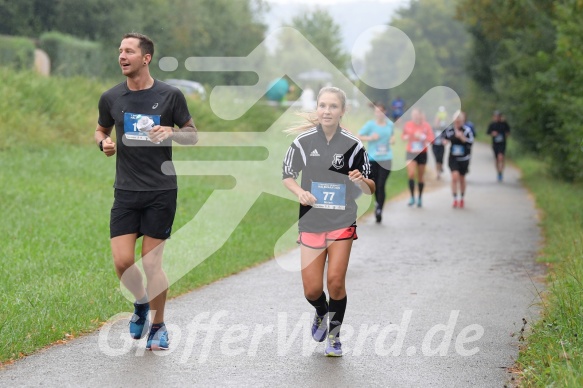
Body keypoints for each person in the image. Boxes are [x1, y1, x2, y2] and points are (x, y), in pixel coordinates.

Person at [94, 33, 198, 351]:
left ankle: (159, 325)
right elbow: (101, 129)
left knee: (152, 264)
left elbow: (192, 135)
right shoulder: (111, 98)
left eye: (129, 51)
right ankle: (141, 302)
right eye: (119, 51)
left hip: (160, 191)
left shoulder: (170, 96)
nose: (122, 56)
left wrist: (172, 132)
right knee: (122, 261)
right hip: (125, 190)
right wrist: (103, 143)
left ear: (146, 57)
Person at [282, 86, 375, 357]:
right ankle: (321, 312)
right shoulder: (302, 143)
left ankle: (334, 336)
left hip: (342, 219)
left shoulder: (354, 145)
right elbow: (288, 175)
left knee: (335, 281)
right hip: (311, 220)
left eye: (333, 106)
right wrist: (299, 192)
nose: (327, 110)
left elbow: (371, 188)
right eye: (322, 105)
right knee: (312, 290)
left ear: (342, 111)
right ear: (317, 109)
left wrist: (361, 181)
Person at [358, 102, 395, 223]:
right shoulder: (370, 125)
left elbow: (392, 136)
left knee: (381, 184)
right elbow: (358, 136)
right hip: (373, 159)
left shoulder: (389, 124)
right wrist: (370, 138)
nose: (379, 114)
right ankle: (377, 203)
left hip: (386, 158)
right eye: (377, 112)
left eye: (381, 111)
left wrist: (392, 139)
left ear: (385, 113)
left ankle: (379, 210)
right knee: (374, 185)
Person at [401, 108, 435, 207]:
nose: (415, 116)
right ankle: (412, 197)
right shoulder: (408, 124)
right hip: (410, 152)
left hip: (422, 153)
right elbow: (403, 136)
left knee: (420, 176)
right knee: (411, 174)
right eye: (413, 115)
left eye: (416, 115)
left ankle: (420, 197)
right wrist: (406, 137)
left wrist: (422, 137)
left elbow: (432, 140)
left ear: (420, 115)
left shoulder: (426, 126)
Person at [444, 111, 474, 208]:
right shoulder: (450, 130)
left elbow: (470, 142)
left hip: (464, 158)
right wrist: (447, 140)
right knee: (454, 177)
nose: (457, 123)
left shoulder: (467, 131)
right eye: (456, 121)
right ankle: (455, 198)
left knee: (462, 178)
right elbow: (444, 138)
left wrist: (462, 138)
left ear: (462, 121)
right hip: (453, 158)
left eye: (459, 121)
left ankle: (462, 198)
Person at [487, 110, 511, 182]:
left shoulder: (504, 124)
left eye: (498, 116)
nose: (497, 118)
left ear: (500, 117)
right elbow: (488, 132)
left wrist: (505, 135)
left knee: (501, 157)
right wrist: (493, 133)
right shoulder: (492, 125)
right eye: (495, 116)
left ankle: (501, 171)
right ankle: (498, 172)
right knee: (497, 159)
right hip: (495, 144)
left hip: (502, 144)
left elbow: (508, 132)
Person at [432, 106, 448, 180]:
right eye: (436, 120)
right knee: (436, 158)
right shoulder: (433, 128)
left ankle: (441, 167)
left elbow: (446, 137)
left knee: (440, 158)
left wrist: (445, 141)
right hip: (435, 145)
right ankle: (438, 173)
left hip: (441, 145)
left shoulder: (443, 128)